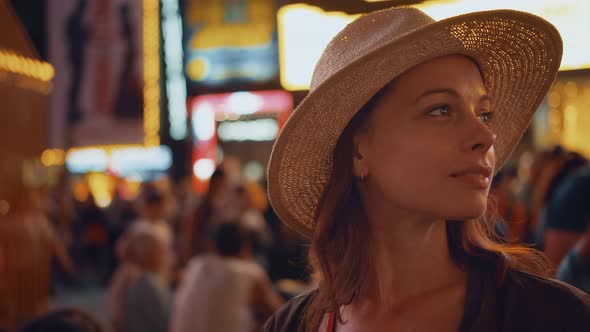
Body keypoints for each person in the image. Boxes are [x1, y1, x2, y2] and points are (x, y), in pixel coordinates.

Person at [262, 7, 590, 332]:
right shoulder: (292, 324)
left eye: (484, 113)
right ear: (359, 150)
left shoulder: (555, 316)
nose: (485, 136)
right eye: (440, 109)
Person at [170, 223, 283, 332]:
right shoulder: (249, 273)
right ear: (246, 247)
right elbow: (282, 315)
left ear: (212, 245)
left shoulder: (196, 264)